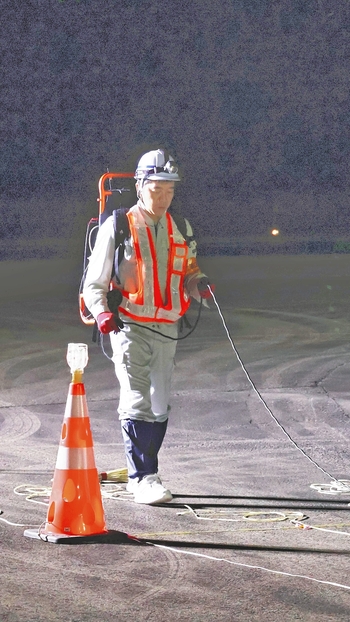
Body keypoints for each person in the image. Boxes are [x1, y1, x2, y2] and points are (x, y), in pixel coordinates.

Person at [83, 149, 212, 505]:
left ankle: (147, 471)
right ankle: (143, 477)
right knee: (137, 399)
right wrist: (101, 312)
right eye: (157, 189)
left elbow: (188, 271)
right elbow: (93, 284)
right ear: (141, 186)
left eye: (170, 190)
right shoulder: (119, 225)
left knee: (160, 402)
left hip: (167, 328)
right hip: (129, 327)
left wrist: (198, 285)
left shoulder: (181, 228)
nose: (164, 197)